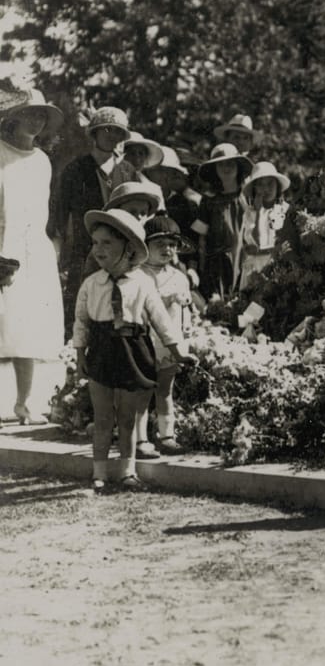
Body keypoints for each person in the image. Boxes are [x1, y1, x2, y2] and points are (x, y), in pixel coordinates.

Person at [73, 208, 187, 492]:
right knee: (102, 417)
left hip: (132, 350)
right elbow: (81, 322)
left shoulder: (142, 283)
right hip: (100, 350)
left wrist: (178, 351)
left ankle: (127, 471)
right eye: (95, 242)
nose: (98, 249)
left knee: (127, 417)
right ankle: (99, 473)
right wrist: (79, 355)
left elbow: (161, 320)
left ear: (128, 247)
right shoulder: (91, 284)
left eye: (106, 243)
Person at [0, 88, 65, 424]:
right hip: (1, 246)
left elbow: (41, 212)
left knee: (26, 328)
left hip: (33, 250)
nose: (36, 121)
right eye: (29, 113)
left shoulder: (42, 161)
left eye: (41, 115)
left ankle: (23, 404)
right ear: (14, 116)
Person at [49, 106, 129, 326]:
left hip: (121, 251)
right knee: (81, 308)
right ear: (94, 133)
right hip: (84, 250)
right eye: (107, 130)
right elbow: (60, 214)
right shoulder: (76, 170)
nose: (112, 135)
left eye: (118, 131)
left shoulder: (128, 172)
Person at [139, 216, 193, 456]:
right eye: (159, 243)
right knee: (141, 392)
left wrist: (186, 336)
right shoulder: (139, 275)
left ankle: (167, 435)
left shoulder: (180, 277)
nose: (167, 249)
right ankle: (139, 439)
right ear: (145, 246)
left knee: (165, 390)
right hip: (144, 341)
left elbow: (185, 312)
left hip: (170, 344)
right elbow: (141, 306)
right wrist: (166, 299)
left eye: (172, 244)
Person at [194, 143, 251, 298]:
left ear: (238, 167)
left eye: (230, 163)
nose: (226, 168)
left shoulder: (247, 196)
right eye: (221, 165)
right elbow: (202, 237)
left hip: (243, 256)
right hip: (217, 261)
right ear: (214, 170)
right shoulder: (208, 200)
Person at [145, 145, 201, 272]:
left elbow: (193, 240)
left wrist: (192, 269)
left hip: (179, 268)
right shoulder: (143, 200)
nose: (165, 175)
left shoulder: (184, 204)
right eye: (159, 170)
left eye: (169, 171)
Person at [238, 160, 290, 290]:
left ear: (277, 186)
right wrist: (258, 212)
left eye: (270, 183)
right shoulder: (250, 214)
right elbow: (255, 243)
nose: (265, 189)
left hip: (278, 266)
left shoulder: (285, 210)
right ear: (254, 188)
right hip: (255, 268)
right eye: (260, 185)